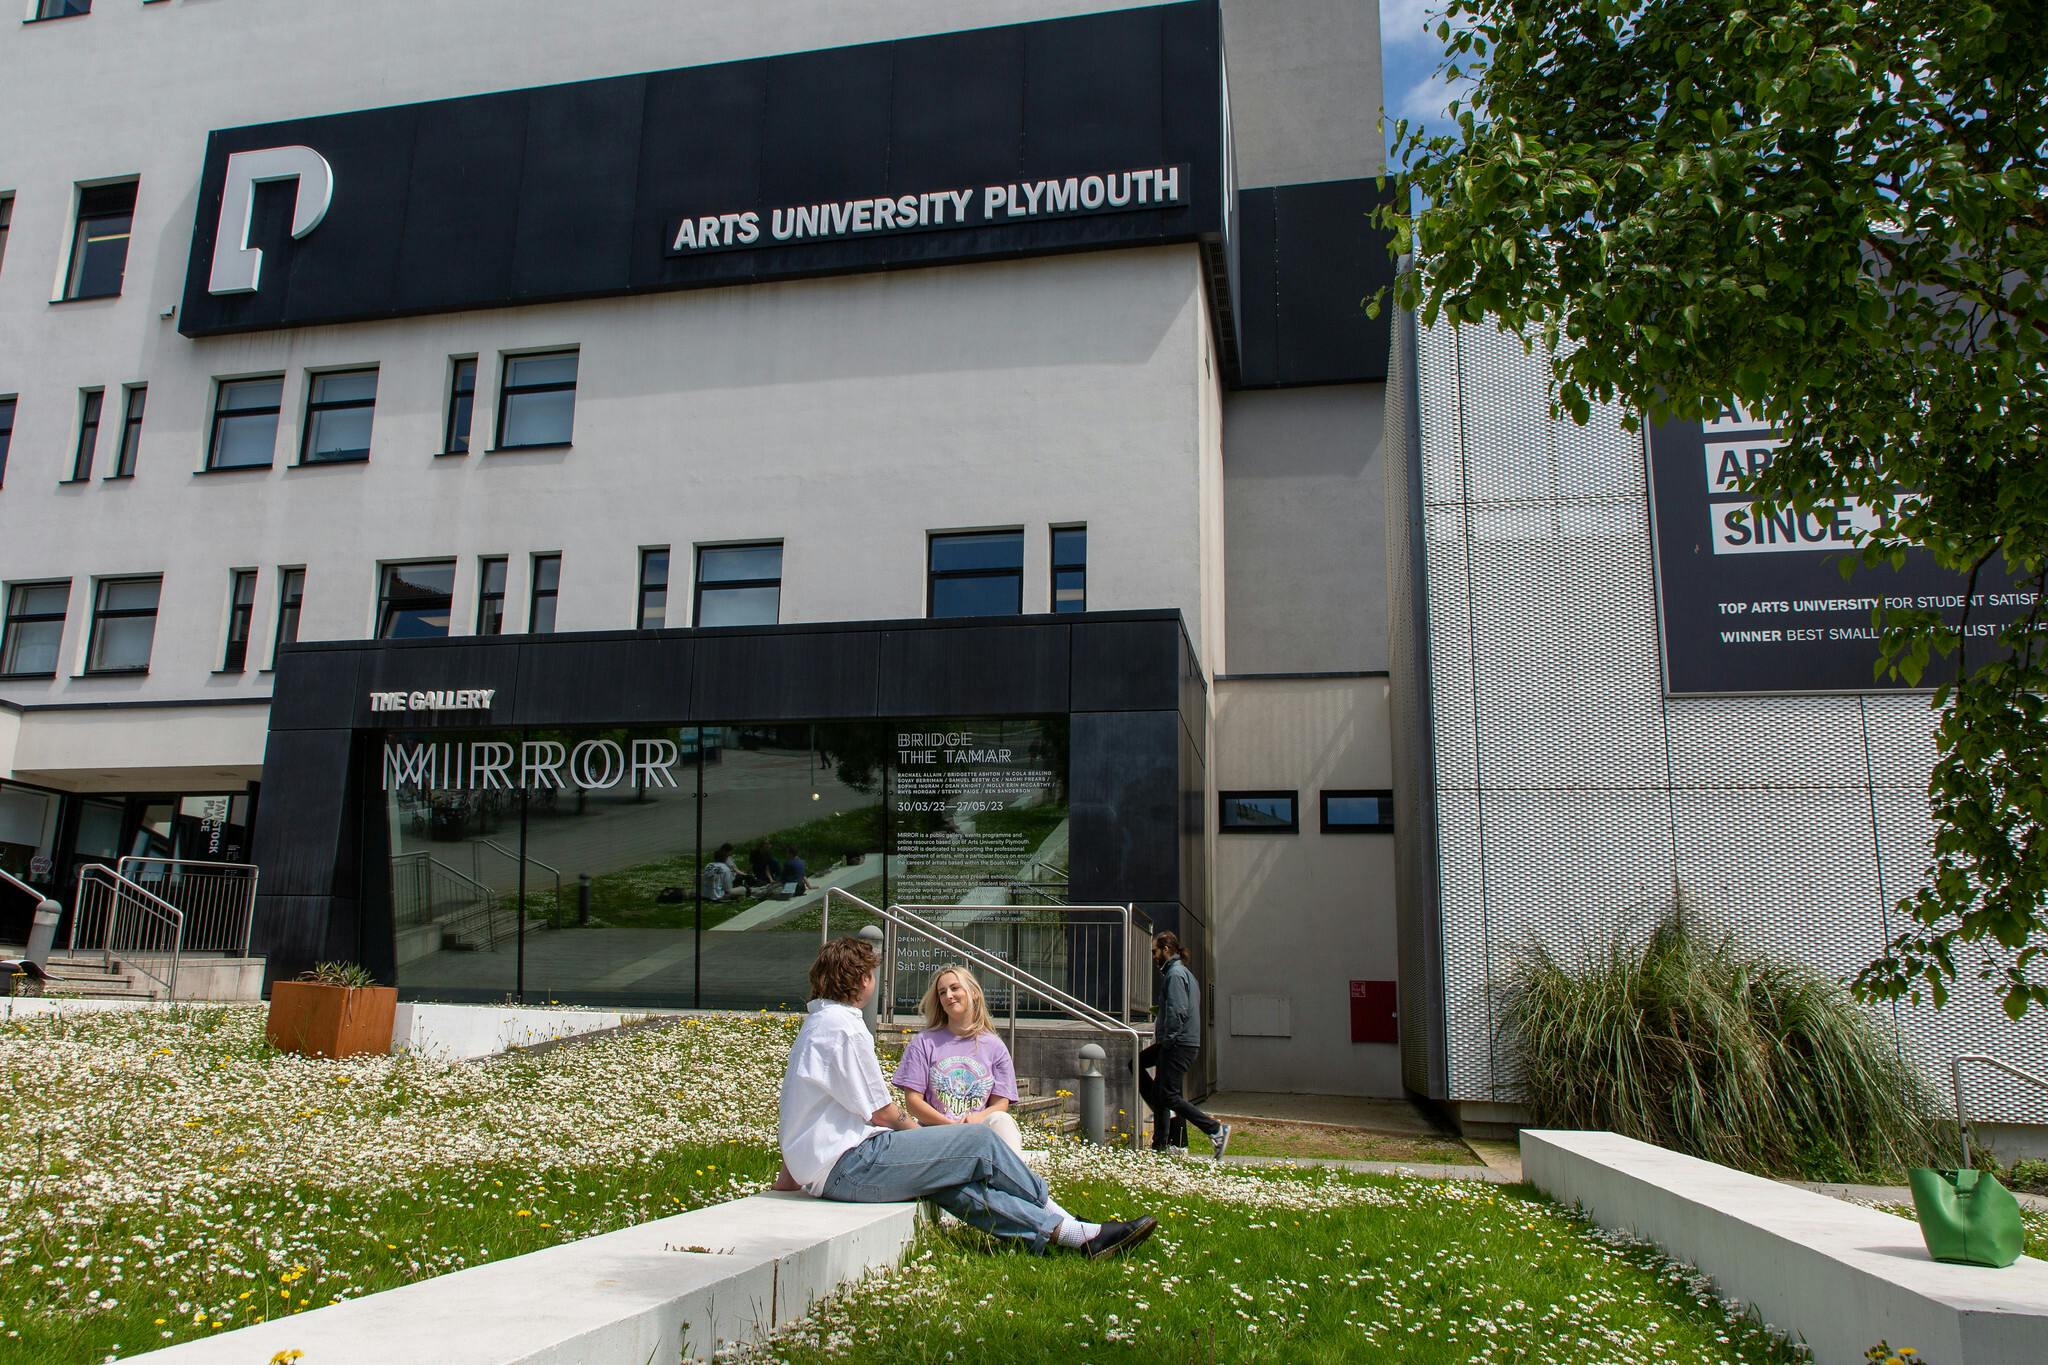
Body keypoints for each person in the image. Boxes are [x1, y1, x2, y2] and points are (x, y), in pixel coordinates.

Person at [777, 935, 1156, 1258]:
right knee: (977, 1141)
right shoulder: (844, 1028)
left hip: (833, 1171)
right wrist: (922, 1135)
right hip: (850, 1166)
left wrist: (790, 1180)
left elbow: (806, 1115)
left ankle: (1067, 1235)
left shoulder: (817, 1025)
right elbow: (883, 1112)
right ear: (862, 980)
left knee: (952, 1181)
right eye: (873, 975)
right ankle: (1077, 1224)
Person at [892, 964, 1024, 1155]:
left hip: (979, 1134)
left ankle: (1017, 1181)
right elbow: (913, 1101)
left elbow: (1000, 1105)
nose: (948, 996)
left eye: (955, 988)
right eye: (942, 992)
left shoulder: (995, 1047)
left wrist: (977, 1119)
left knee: (1003, 1121)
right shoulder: (924, 1042)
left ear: (974, 993)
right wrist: (951, 1125)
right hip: (936, 1134)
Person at [1140, 931, 1230, 1158]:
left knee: (1168, 1095)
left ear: (1166, 949)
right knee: (1141, 1069)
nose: (1153, 957)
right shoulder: (1184, 974)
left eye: (1155, 951)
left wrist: (1167, 1041)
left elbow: (1177, 1011)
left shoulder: (1176, 975)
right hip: (1181, 1042)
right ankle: (1161, 1145)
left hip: (1178, 1044)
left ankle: (1215, 1129)